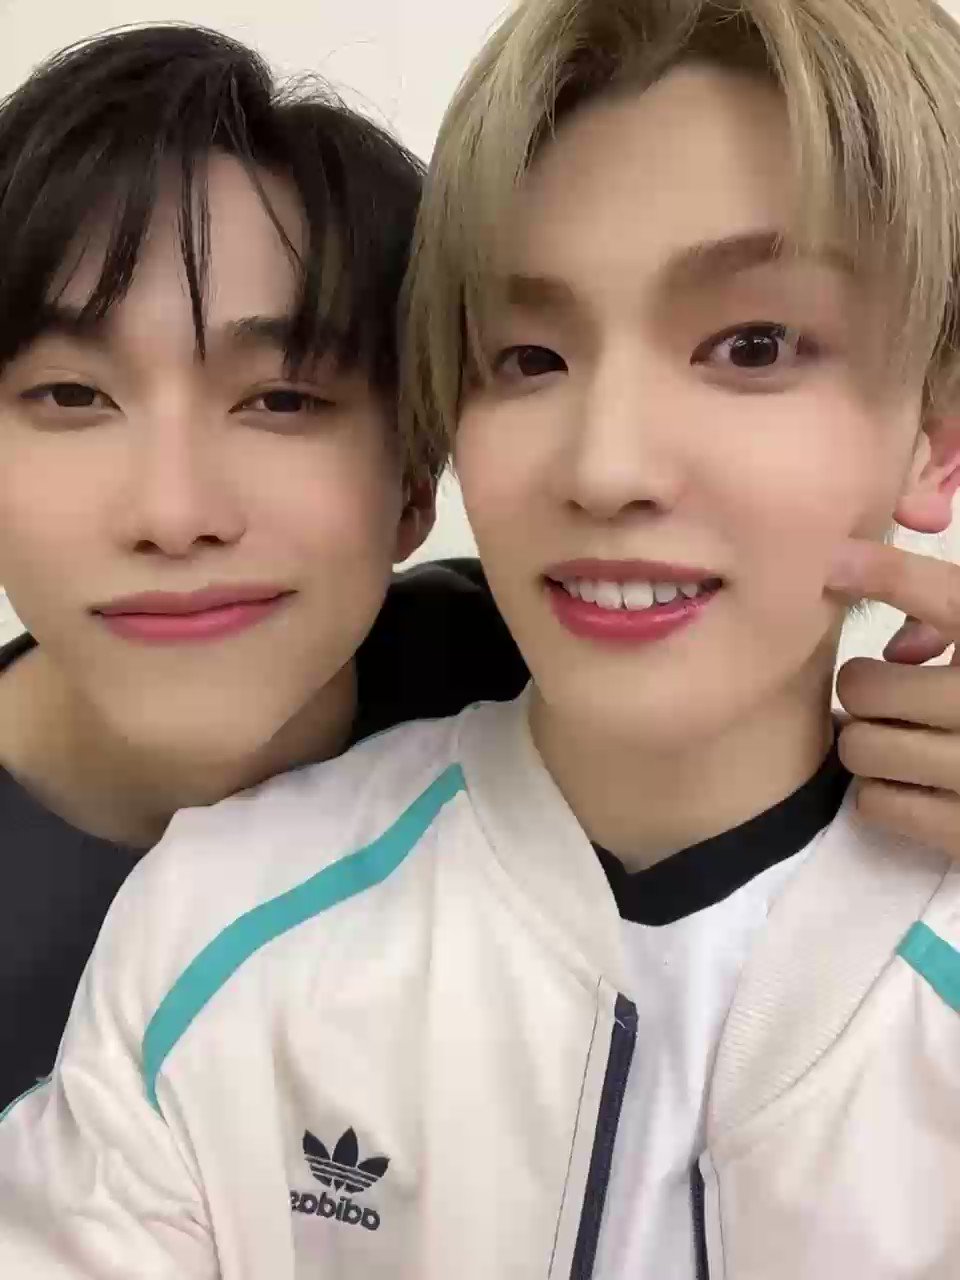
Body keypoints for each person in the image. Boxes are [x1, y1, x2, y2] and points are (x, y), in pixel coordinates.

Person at [4, 6, 960, 1274]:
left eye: (753, 346)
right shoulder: (215, 929)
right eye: (529, 356)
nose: (606, 469)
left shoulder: (466, 645)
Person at [0, 24, 525, 1108]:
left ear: (416, 480)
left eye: (281, 400)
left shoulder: (534, 697)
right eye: (72, 396)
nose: (174, 514)